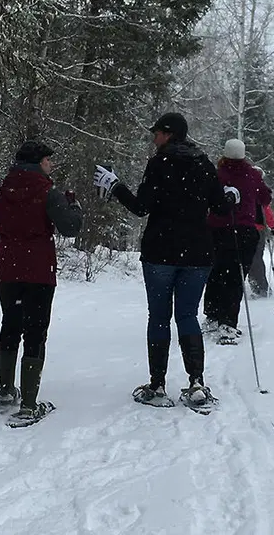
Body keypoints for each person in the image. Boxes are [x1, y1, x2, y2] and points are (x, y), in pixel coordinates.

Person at [94, 111, 234, 409]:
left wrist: (115, 185)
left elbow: (141, 207)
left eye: (156, 132)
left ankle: (157, 386)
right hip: (197, 254)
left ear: (169, 133)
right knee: (187, 316)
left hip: (161, 253)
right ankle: (196, 383)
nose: (153, 137)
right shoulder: (204, 164)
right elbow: (221, 208)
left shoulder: (160, 163)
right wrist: (232, 196)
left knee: (159, 317)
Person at [0, 139, 83, 423]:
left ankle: (6, 391)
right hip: (39, 272)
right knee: (35, 331)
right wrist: (74, 207)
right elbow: (70, 228)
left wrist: (3, 249)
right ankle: (29, 404)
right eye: (48, 160)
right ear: (38, 162)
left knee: (10, 324)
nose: (52, 165)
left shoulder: (4, 190)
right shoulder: (47, 191)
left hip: (9, 271)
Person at [203, 137, 272, 338]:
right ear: (243, 155)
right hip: (244, 232)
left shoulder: (217, 175)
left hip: (217, 230)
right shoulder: (252, 175)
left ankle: (212, 316)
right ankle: (228, 322)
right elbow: (266, 198)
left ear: (225, 154)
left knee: (216, 273)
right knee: (235, 276)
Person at [249, 200, 274, 299]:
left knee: (250, 259)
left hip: (245, 230)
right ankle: (260, 287)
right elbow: (266, 211)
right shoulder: (258, 194)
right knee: (256, 259)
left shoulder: (243, 190)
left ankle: (258, 287)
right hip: (257, 230)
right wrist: (272, 226)